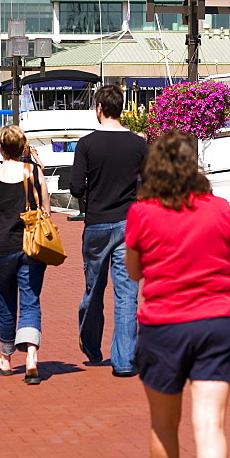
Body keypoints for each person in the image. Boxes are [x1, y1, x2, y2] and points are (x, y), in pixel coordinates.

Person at [125, 131, 230, 458]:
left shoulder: (141, 213)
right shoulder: (218, 209)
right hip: (218, 323)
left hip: (163, 326)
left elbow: (134, 271)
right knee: (211, 426)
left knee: (163, 425)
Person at [69, 84, 148, 376]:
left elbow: (76, 187)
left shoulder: (87, 144)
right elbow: (149, 184)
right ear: (122, 107)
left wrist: (91, 193)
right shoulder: (139, 145)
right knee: (127, 293)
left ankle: (91, 343)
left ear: (99, 109)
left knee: (94, 288)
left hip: (98, 222)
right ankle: (125, 360)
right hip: (130, 222)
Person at [0, 125, 51, 384]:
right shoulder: (34, 171)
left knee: (6, 303)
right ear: (22, 146)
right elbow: (46, 208)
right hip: (32, 244)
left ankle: (6, 359)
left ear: (0, 147)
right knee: (31, 300)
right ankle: (32, 357)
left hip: (2, 245)